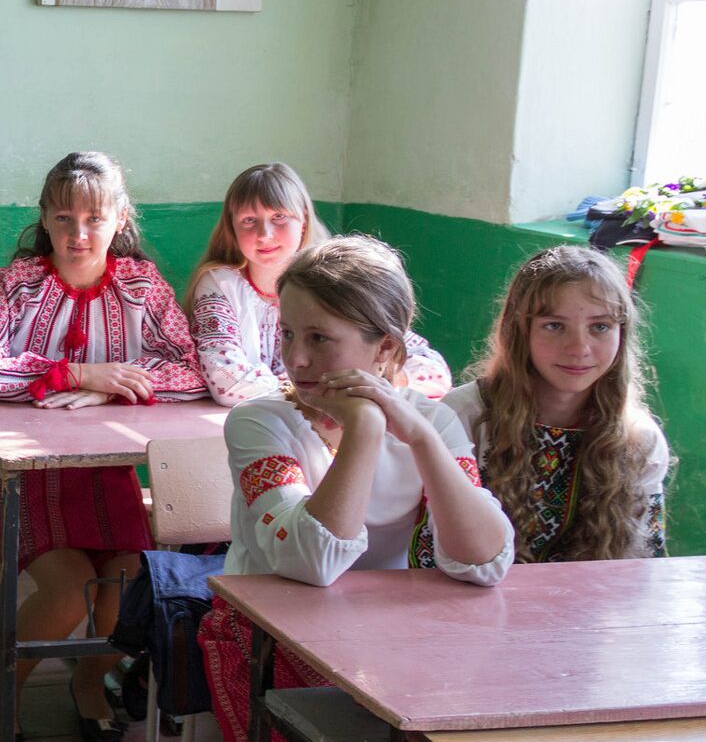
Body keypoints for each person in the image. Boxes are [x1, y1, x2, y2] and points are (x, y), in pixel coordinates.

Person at [198, 236, 514, 742]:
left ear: (385, 346)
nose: (295, 359)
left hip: (390, 636)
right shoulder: (260, 422)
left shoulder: (433, 423)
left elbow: (485, 561)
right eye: (287, 334)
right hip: (270, 638)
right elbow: (312, 564)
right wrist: (366, 428)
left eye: (320, 338)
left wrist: (421, 439)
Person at [0, 151, 207, 740]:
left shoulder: (143, 285)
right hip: (23, 472)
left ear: (120, 219)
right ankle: (3, 691)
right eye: (64, 218)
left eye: (94, 218)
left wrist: (116, 389)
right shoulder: (16, 282)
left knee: (126, 592)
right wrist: (76, 375)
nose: (78, 233)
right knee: (67, 596)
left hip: (108, 471)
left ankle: (89, 680)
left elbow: (191, 372)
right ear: (44, 219)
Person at [424, 245, 670, 566]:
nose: (579, 348)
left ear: (622, 335)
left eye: (600, 327)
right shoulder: (462, 417)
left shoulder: (641, 440)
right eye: (554, 326)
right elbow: (430, 552)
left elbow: (644, 569)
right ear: (519, 332)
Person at [185, 163, 452, 405]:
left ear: (302, 221)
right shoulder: (220, 284)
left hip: (334, 423)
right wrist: (337, 385)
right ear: (232, 228)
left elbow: (434, 372)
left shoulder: (335, 281)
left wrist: (366, 384)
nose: (264, 235)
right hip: (250, 426)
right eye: (249, 221)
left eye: (279, 217)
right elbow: (228, 383)